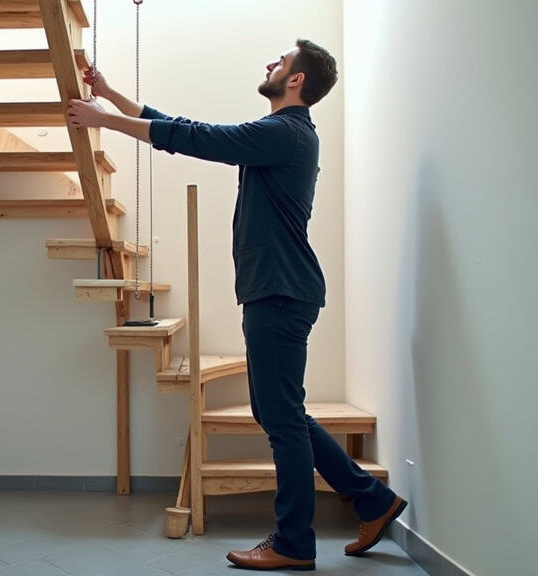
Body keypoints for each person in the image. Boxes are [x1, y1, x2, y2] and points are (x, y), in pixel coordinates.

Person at [68, 39, 407, 572]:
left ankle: (294, 542)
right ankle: (371, 499)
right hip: (279, 289)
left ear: (296, 81)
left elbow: (196, 136)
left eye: (281, 62)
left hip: (280, 291)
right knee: (283, 412)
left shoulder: (285, 133)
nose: (271, 64)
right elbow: (178, 127)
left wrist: (104, 121)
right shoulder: (284, 135)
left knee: (279, 418)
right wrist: (110, 96)